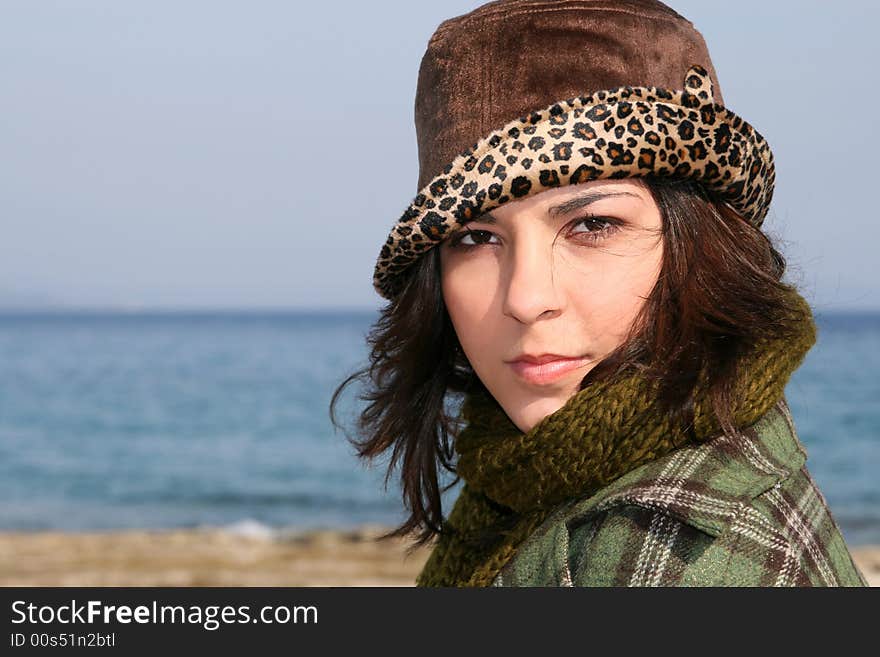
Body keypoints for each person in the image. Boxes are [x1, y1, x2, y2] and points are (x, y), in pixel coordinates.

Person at [331, 0, 868, 586]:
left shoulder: (674, 562)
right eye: (476, 238)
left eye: (591, 225)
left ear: (700, 245)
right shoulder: (535, 476)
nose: (526, 298)